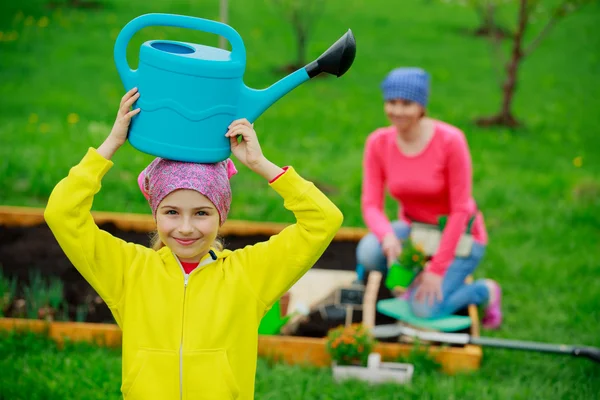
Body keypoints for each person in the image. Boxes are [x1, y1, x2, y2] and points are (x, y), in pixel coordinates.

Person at [44, 87, 343, 399]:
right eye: (171, 212)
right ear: (155, 215)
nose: (185, 228)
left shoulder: (249, 275)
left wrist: (261, 164)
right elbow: (62, 213)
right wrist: (111, 144)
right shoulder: (128, 271)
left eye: (201, 213)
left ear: (221, 216)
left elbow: (323, 220)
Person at [356, 68, 502, 329]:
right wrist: (388, 238)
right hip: (418, 233)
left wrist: (436, 271)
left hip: (461, 238)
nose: (397, 111)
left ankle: (484, 291)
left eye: (407, 103)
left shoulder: (451, 141)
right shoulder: (378, 143)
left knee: (423, 311)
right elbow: (371, 205)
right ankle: (415, 280)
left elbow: (460, 210)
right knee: (369, 250)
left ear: (421, 106)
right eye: (392, 102)